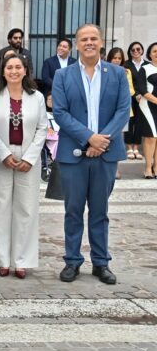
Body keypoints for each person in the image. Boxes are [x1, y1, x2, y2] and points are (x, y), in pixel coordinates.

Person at [52, 24, 130, 285]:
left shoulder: (118, 73)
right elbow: (61, 113)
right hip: (74, 153)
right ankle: (72, 261)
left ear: (101, 42)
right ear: (76, 44)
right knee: (73, 210)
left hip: (105, 154)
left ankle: (101, 262)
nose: (88, 42)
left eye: (93, 38)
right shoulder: (63, 76)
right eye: (83, 39)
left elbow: (122, 110)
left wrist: (101, 141)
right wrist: (89, 138)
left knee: (100, 210)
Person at [0, 55, 47, 279]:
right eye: (9, 67)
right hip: (0, 156)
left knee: (26, 208)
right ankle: (1, 259)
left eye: (18, 67)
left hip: (29, 155)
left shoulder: (36, 96)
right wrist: (4, 154)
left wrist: (30, 157)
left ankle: (21, 260)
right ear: (2, 71)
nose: (13, 71)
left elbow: (42, 128)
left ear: (25, 70)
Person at [106, 47, 135, 179]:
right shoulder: (103, 70)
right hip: (107, 110)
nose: (117, 60)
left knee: (117, 139)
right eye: (114, 58)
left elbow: (131, 90)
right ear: (109, 58)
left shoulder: (126, 71)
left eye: (119, 58)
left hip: (122, 111)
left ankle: (116, 168)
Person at [135, 42, 157, 179]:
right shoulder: (145, 68)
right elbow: (142, 90)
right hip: (148, 106)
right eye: (155, 51)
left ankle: (156, 168)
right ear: (149, 54)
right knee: (151, 136)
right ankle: (148, 168)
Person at [124, 41, 146, 160]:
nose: (136, 51)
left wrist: (143, 95)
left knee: (139, 123)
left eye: (138, 49)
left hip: (144, 98)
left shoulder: (148, 64)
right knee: (130, 122)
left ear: (142, 50)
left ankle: (136, 148)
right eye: (133, 50)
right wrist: (136, 94)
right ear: (130, 52)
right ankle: (129, 148)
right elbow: (126, 83)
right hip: (130, 98)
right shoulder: (126, 65)